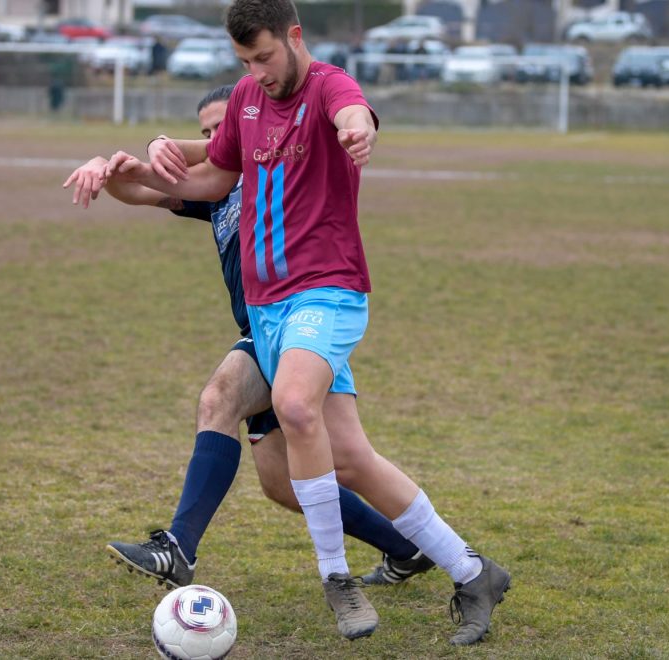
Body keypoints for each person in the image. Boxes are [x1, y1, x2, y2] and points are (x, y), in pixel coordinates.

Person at [98, 0, 511, 645]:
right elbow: (211, 176)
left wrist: (358, 129)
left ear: (294, 36)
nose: (257, 72)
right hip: (268, 311)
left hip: (326, 293)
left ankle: (335, 577)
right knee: (352, 459)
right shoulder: (246, 99)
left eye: (264, 56)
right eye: (245, 61)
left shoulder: (328, 86)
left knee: (292, 405)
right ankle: (473, 571)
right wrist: (133, 168)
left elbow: (352, 110)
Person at [62, 84, 435, 593]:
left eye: (223, 126)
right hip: (263, 330)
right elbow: (141, 190)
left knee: (219, 399)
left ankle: (178, 548)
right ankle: (408, 547)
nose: (216, 137)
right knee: (283, 484)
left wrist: (354, 126)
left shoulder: (274, 175)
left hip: (292, 323)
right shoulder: (216, 189)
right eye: (206, 131)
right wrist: (106, 170)